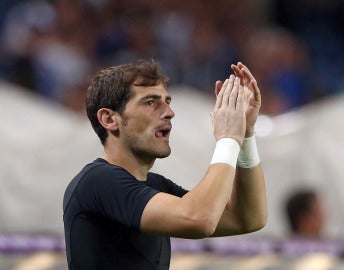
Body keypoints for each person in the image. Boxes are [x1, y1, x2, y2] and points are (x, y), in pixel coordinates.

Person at [63, 60, 267, 269]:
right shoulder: (97, 181)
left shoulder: (154, 185)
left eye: (167, 101)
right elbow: (200, 218)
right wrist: (228, 139)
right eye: (150, 102)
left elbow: (248, 219)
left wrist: (246, 135)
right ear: (109, 119)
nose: (169, 112)